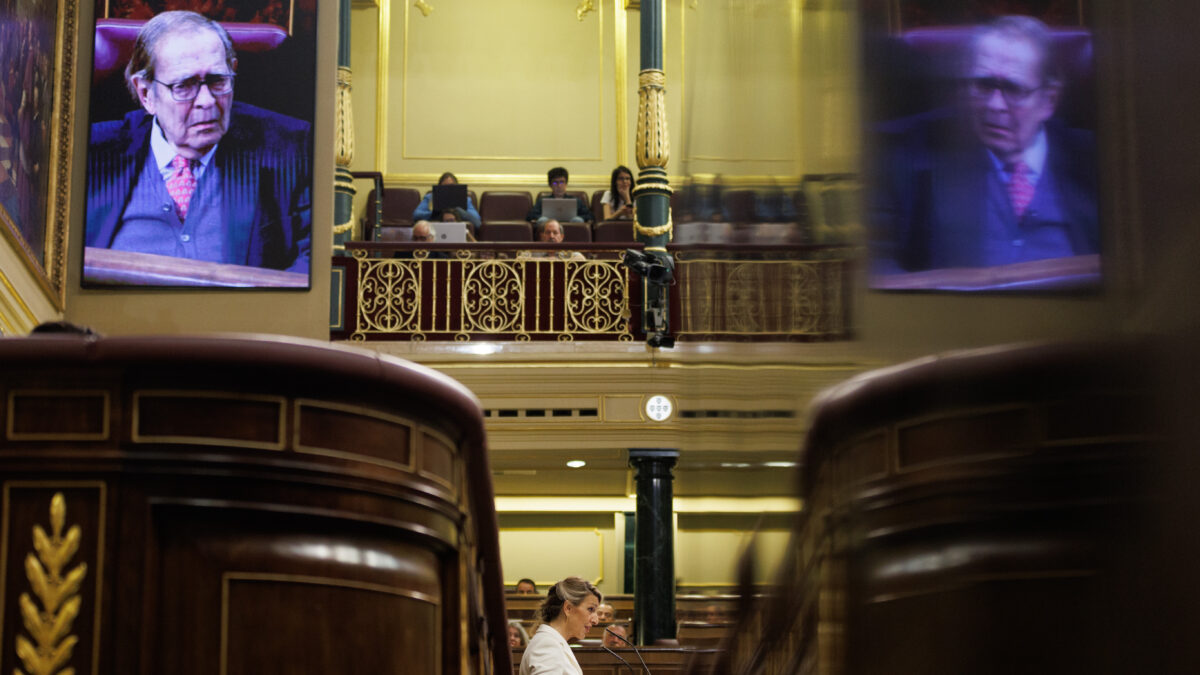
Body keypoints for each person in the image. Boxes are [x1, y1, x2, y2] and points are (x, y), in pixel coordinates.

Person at [869, 15, 1098, 276]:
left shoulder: (1096, 162)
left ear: (1049, 100)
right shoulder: (906, 155)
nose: (995, 105)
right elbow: (877, 264)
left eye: (1013, 89)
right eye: (983, 85)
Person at [85, 11, 312, 273]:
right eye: (184, 85)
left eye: (217, 81)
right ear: (146, 93)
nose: (206, 101)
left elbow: (312, 259)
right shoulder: (91, 154)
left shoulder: (291, 149)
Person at [519, 576, 601, 675]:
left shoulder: (553, 641)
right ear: (568, 608)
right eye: (591, 609)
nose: (596, 621)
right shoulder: (547, 644)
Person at [412, 171, 481, 235]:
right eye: (444, 187)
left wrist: (457, 210)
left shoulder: (465, 200)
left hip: (458, 233)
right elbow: (416, 215)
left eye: (451, 186)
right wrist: (435, 212)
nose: (448, 190)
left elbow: (477, 222)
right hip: (435, 234)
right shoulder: (430, 198)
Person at [526, 167, 592, 225]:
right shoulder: (542, 201)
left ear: (566, 184)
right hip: (549, 228)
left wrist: (575, 217)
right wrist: (545, 217)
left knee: (577, 220)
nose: (559, 186)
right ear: (550, 185)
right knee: (543, 220)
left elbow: (590, 216)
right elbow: (530, 216)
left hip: (570, 227)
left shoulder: (576, 201)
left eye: (561, 182)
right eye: (555, 183)